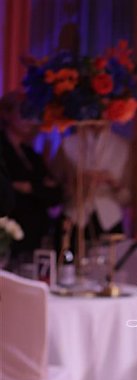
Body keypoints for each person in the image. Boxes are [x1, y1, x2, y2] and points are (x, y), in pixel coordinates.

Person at [0, 90, 62, 260]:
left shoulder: (31, 154)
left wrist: (29, 187)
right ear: (7, 114)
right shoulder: (3, 148)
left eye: (32, 113)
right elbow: (6, 195)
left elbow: (56, 194)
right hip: (10, 235)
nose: (29, 118)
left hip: (36, 233)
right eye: (23, 112)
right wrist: (39, 187)